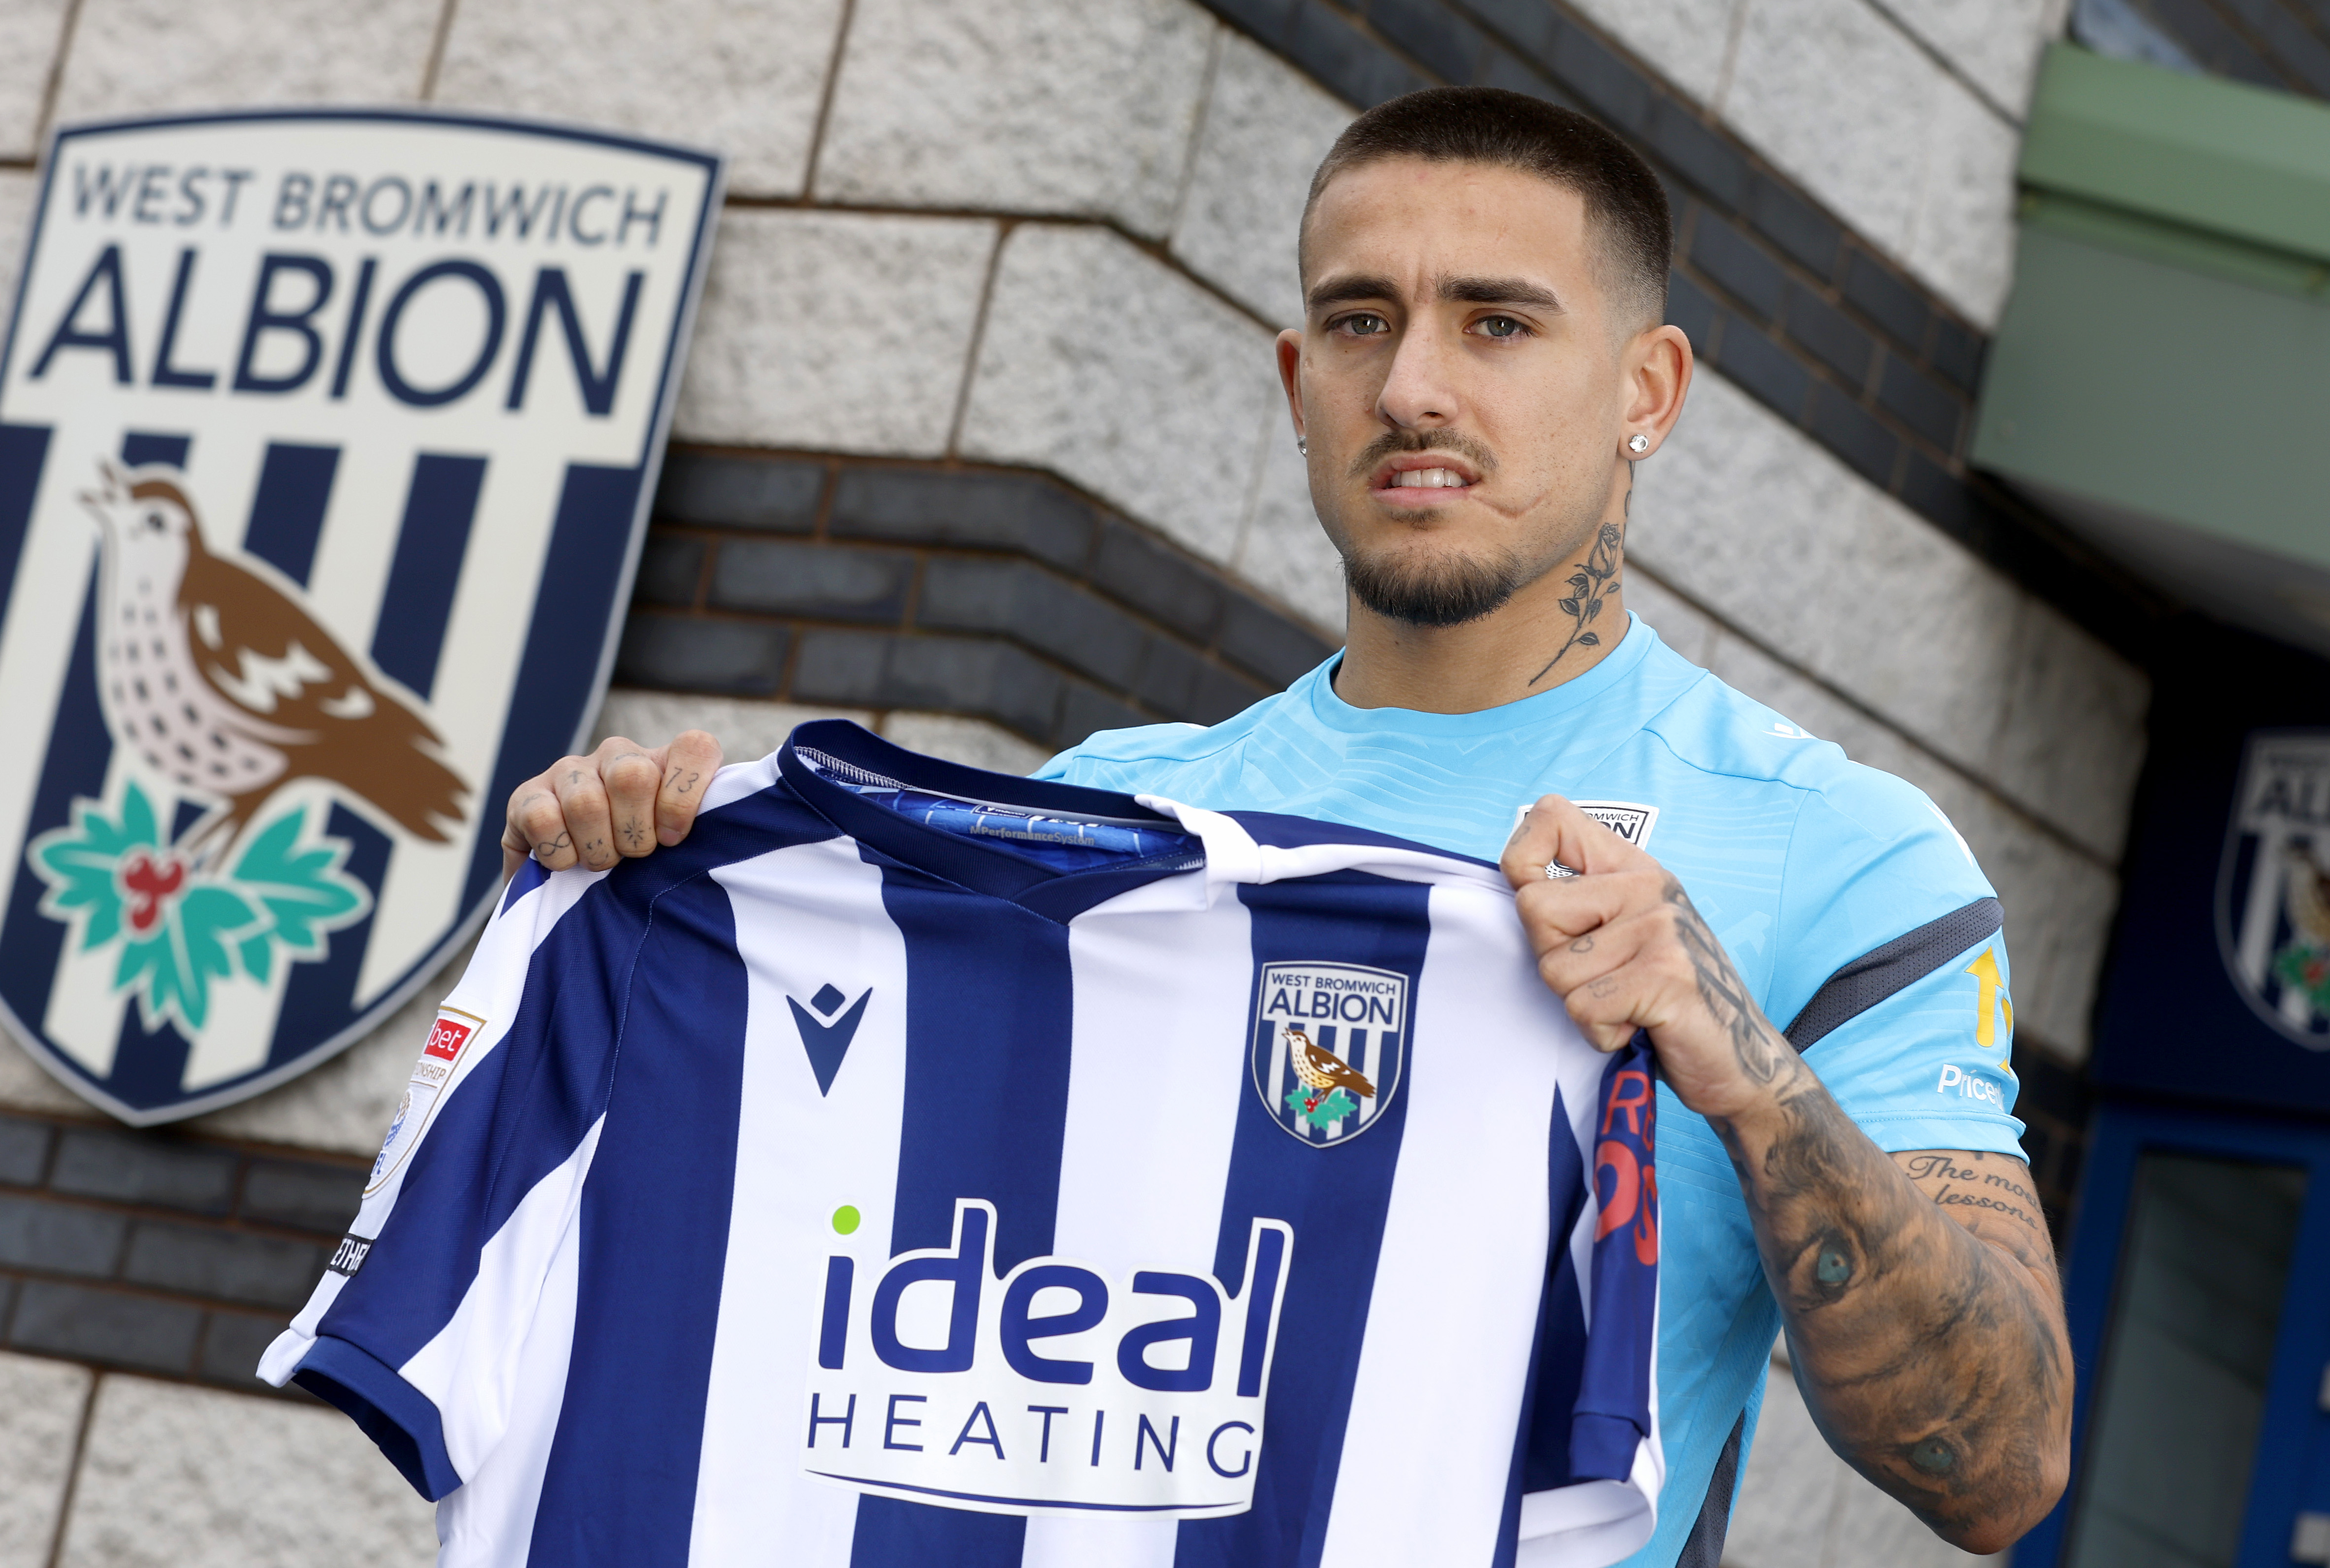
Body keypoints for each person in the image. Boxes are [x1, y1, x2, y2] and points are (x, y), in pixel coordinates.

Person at [499, 88, 2072, 1560]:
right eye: (1358, 321)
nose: (1411, 388)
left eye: (1499, 323)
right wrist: (641, 906)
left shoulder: (1839, 852)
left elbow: (2002, 1467)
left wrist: (1738, 1065)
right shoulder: (1095, 811)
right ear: (1295, 381)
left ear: (1645, 392)